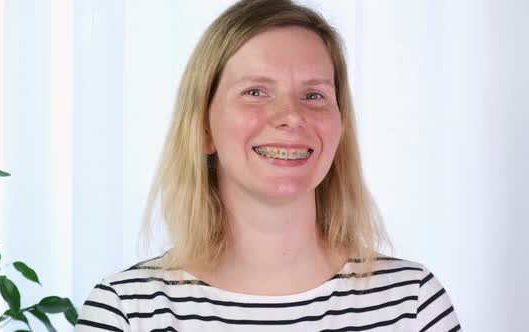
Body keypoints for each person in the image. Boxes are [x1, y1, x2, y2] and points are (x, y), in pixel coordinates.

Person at [76, 0, 461, 331]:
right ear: (203, 128)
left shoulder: (411, 304)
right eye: (255, 92)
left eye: (313, 95)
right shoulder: (127, 312)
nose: (290, 116)